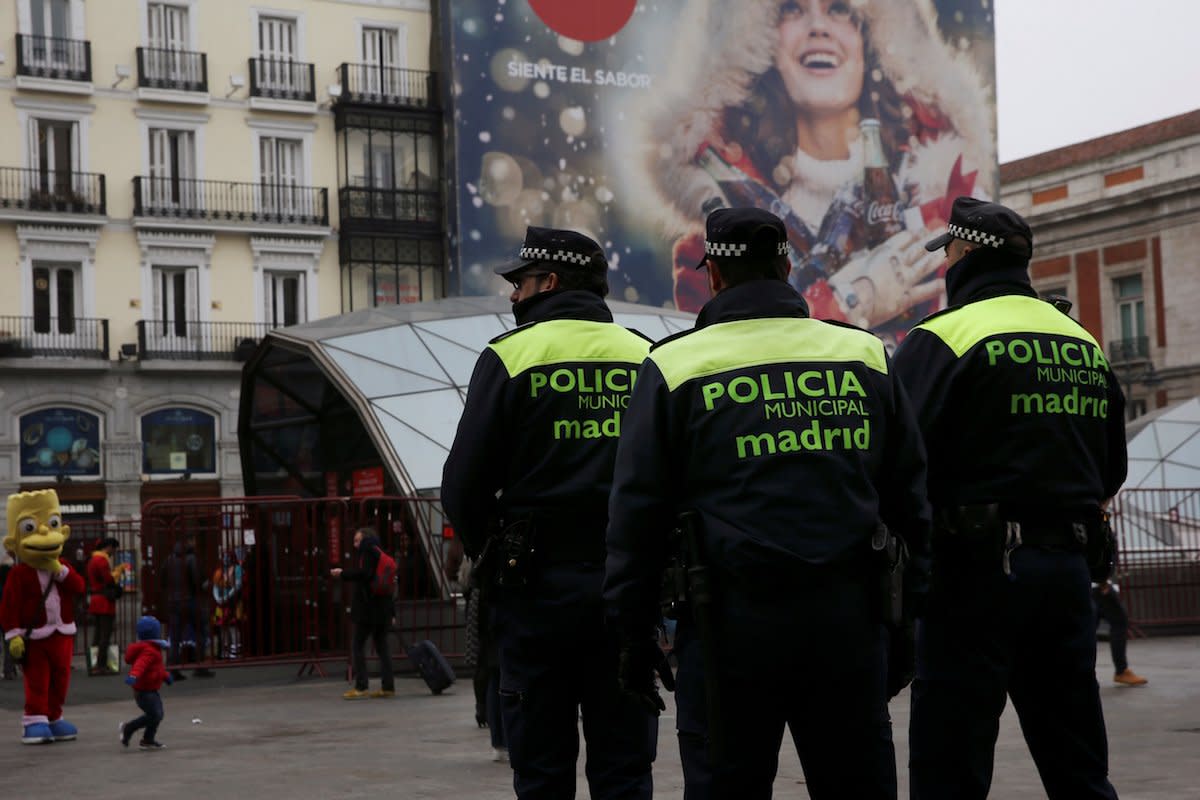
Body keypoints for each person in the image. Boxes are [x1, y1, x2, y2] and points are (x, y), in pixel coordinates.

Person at [604, 207, 931, 799]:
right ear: (786, 267)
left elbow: (637, 512)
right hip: (848, 626)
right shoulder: (862, 355)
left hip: (727, 629)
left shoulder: (674, 365)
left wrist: (632, 631)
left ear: (715, 276)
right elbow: (910, 496)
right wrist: (909, 619)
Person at [893, 196, 1128, 799]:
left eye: (947, 250)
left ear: (966, 252)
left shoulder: (942, 337)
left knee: (951, 763)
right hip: (1068, 571)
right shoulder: (1081, 342)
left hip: (971, 575)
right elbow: (1111, 469)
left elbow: (896, 463)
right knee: (1077, 758)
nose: (944, 261)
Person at [626, 0, 993, 340]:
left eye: (839, 9)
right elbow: (734, 363)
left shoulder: (946, 209)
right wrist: (849, 301)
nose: (818, 26)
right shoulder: (713, 248)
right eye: (792, 9)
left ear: (871, 37)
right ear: (760, 41)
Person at [441, 226, 658, 799]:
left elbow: (463, 482)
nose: (513, 296)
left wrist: (489, 550)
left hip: (535, 591)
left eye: (520, 282)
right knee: (625, 766)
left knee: (541, 768)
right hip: (627, 591)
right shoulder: (646, 354)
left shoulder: (510, 356)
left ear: (551, 282)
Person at [330, 527, 395, 700]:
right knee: (382, 647)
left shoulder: (367, 551)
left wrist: (342, 573)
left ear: (366, 539)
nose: (355, 544)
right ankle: (388, 686)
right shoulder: (380, 552)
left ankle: (361, 685)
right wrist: (392, 612)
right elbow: (389, 586)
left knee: (357, 645)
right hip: (383, 609)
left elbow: (364, 574)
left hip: (368, 609)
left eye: (357, 540)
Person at [161, 533, 215, 679]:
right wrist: (207, 585)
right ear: (190, 541)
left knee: (175, 636)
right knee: (201, 632)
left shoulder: (169, 559)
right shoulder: (192, 558)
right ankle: (200, 666)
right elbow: (198, 581)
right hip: (190, 601)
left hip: (173, 601)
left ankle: (173, 668)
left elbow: (162, 580)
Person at [119, 615, 172, 750]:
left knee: (156, 715)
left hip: (149, 689)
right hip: (144, 691)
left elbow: (156, 668)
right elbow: (140, 665)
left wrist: (165, 676)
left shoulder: (152, 648)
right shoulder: (149, 650)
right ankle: (128, 728)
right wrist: (133, 676)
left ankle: (147, 740)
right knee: (155, 715)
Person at [1094, 579, 1148, 687]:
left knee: (1087, 628)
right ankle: (1121, 671)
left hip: (1086, 585)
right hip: (1097, 585)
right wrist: (1103, 582)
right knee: (1119, 622)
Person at [86, 537, 126, 675]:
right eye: (113, 549)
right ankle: (101, 666)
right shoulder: (102, 560)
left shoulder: (92, 560)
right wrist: (117, 573)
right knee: (105, 635)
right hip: (104, 601)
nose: (113, 552)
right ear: (108, 547)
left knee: (97, 635)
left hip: (96, 600)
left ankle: (93, 665)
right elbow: (108, 579)